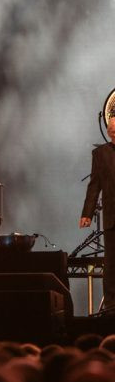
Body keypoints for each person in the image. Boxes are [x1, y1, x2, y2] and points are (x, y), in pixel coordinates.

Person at [80, 117, 115, 312]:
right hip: (112, 217)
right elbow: (94, 186)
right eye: (111, 128)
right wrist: (87, 213)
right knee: (111, 265)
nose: (113, 130)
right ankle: (111, 307)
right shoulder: (100, 154)